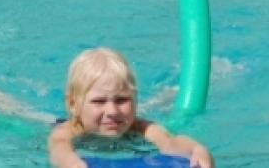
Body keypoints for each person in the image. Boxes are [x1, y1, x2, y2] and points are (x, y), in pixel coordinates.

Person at [48, 48, 215, 168]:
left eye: (122, 100)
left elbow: (170, 142)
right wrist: (72, 163)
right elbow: (59, 147)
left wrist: (196, 149)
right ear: (73, 105)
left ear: (135, 101)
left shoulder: (141, 127)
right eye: (98, 101)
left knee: (160, 103)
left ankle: (169, 93)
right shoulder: (70, 130)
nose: (112, 111)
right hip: (54, 120)